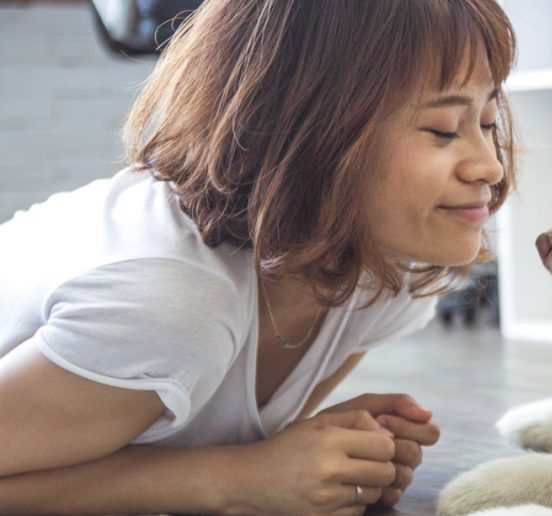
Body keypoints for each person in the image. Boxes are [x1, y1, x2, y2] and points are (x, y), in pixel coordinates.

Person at [0, 0, 516, 513]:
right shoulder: (170, 305)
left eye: (490, 122)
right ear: (310, 132)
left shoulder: (386, 271)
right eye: (443, 129)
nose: (489, 167)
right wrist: (238, 478)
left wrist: (325, 455)